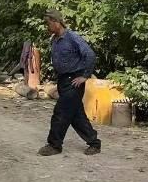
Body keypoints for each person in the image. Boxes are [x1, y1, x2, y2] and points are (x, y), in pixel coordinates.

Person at [38, 9, 102, 156]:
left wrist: (85, 76)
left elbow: (90, 55)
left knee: (60, 113)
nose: (47, 27)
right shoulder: (54, 39)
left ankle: (54, 145)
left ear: (56, 22)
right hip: (63, 81)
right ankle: (94, 143)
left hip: (74, 81)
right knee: (76, 115)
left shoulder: (72, 37)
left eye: (48, 24)